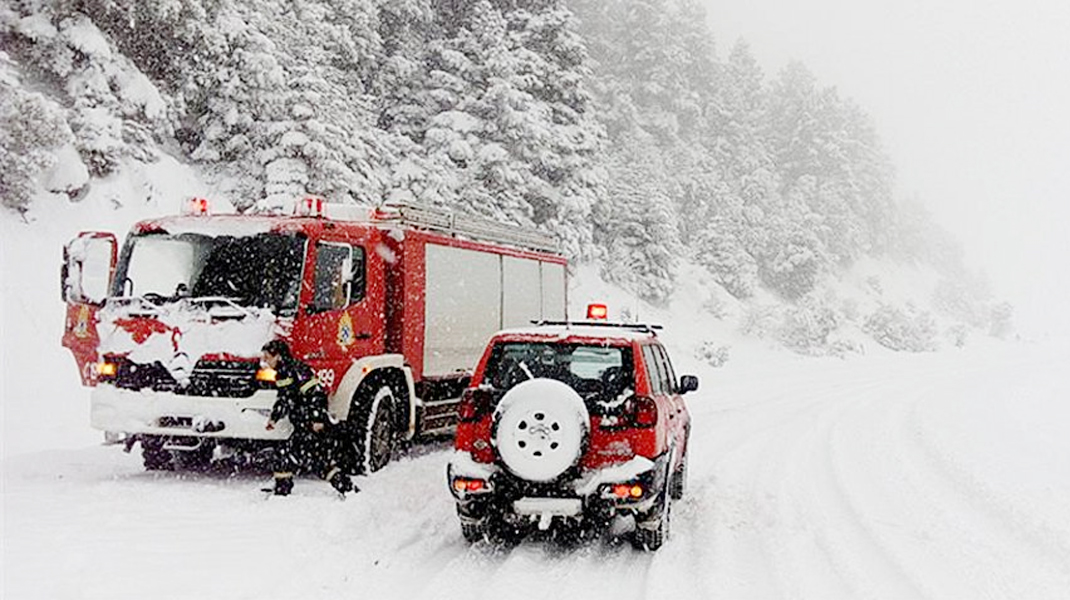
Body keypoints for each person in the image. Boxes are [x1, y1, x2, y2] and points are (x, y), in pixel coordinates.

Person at [261, 339, 355, 497]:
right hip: (302, 424)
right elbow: (284, 398)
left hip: (311, 424)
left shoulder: (298, 370)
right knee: (288, 455)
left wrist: (317, 419)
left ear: (278, 356)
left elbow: (316, 394)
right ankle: (282, 491)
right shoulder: (282, 373)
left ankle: (348, 489)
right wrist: (274, 418)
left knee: (312, 460)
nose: (265, 361)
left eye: (268, 357)